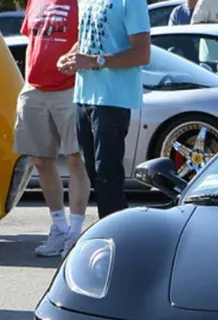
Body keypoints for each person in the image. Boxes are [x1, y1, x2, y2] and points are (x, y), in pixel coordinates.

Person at [56, 0, 151, 220]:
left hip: (113, 99)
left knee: (108, 176)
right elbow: (88, 40)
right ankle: (114, 228)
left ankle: (118, 233)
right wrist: (69, 57)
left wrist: (94, 61)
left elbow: (142, 54)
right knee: (95, 175)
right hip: (84, 96)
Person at [14, 0, 91, 257]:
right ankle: (59, 228)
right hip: (34, 89)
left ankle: (75, 233)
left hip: (69, 89)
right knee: (41, 160)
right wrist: (28, 81)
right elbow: (31, 41)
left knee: (75, 158)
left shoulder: (81, 3)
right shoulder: (35, 2)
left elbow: (88, 38)